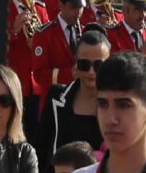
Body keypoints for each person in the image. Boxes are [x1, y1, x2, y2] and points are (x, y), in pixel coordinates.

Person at [38, 24, 113, 154]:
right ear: (76, 62)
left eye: (98, 65)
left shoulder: (117, 103)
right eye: (84, 64)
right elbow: (41, 147)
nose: (91, 72)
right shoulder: (56, 96)